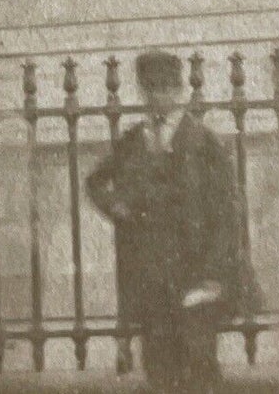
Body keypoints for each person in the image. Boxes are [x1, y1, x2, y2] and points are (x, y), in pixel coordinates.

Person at [85, 50, 255, 393]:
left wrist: (213, 275)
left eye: (165, 88)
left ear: (178, 91)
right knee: (159, 368)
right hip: (150, 276)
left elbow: (227, 213)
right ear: (142, 93)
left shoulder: (203, 142)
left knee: (199, 366)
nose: (158, 97)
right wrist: (117, 207)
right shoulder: (133, 141)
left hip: (196, 274)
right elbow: (95, 181)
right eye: (150, 89)